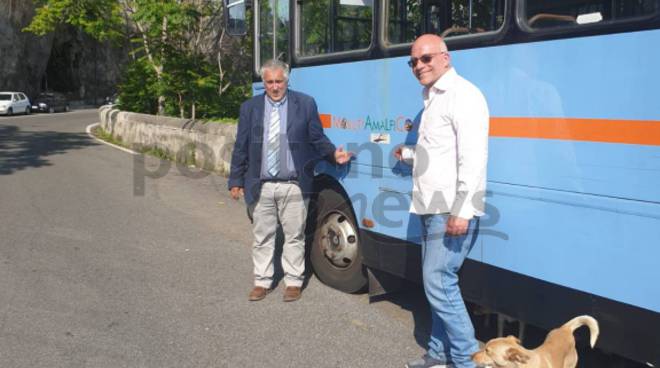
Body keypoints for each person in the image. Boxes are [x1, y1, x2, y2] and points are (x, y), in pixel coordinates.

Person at [395, 35, 489, 368]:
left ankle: (467, 360)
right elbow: (440, 154)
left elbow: (473, 158)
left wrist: (463, 210)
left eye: (426, 58)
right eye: (413, 62)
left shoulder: (463, 95)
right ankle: (438, 354)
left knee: (439, 281)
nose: (419, 66)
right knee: (436, 283)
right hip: (430, 206)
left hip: (450, 208)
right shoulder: (432, 98)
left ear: (445, 58)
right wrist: (409, 155)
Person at [228, 59, 352, 302]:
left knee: (294, 235)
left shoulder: (304, 104)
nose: (274, 87)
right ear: (264, 82)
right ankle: (262, 282)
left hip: (294, 183)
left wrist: (332, 154)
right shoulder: (250, 108)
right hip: (261, 184)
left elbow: (317, 137)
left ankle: (293, 281)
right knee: (263, 236)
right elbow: (240, 146)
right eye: (269, 82)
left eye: (279, 81)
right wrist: (236, 179)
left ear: (287, 80)